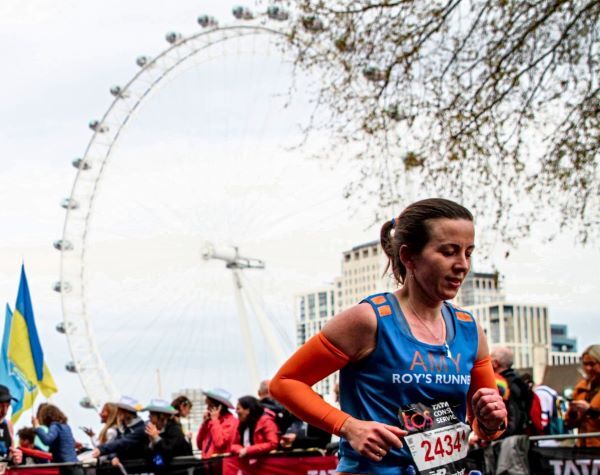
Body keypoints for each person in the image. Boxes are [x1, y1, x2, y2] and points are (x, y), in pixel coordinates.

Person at [270, 198, 507, 474]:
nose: (462, 265)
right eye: (449, 252)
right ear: (408, 256)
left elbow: (487, 428)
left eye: (468, 252)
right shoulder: (367, 320)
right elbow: (285, 383)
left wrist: (492, 421)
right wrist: (349, 427)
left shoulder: (469, 330)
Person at [491, 346, 535, 436]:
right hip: (522, 437)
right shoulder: (521, 382)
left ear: (495, 363)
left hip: (504, 438)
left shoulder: (499, 384)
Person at [91, 396, 148, 463]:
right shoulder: (123, 428)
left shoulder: (140, 429)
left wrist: (102, 449)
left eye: (119, 410)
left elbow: (123, 442)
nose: (117, 412)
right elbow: (116, 445)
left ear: (126, 412)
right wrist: (114, 457)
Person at [565, 344, 600, 447]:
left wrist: (590, 411)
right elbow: (569, 424)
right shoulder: (581, 388)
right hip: (584, 449)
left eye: (592, 364)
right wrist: (573, 412)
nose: (588, 368)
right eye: (585, 364)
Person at [143, 399, 192, 465]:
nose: (149, 416)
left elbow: (168, 453)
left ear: (161, 416)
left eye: (152, 414)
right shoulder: (156, 431)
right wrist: (152, 443)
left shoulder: (175, 430)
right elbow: (148, 457)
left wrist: (156, 438)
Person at [196, 388, 238, 457]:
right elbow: (199, 445)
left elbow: (219, 443)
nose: (207, 408)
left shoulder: (231, 422)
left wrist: (215, 421)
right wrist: (204, 424)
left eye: (210, 405)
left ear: (219, 407)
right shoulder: (211, 422)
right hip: (207, 464)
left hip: (219, 465)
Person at [0, 385, 22, 465]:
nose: (4, 411)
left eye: (7, 406)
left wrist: (16, 458)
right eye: (1, 406)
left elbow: (10, 454)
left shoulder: (9, 425)